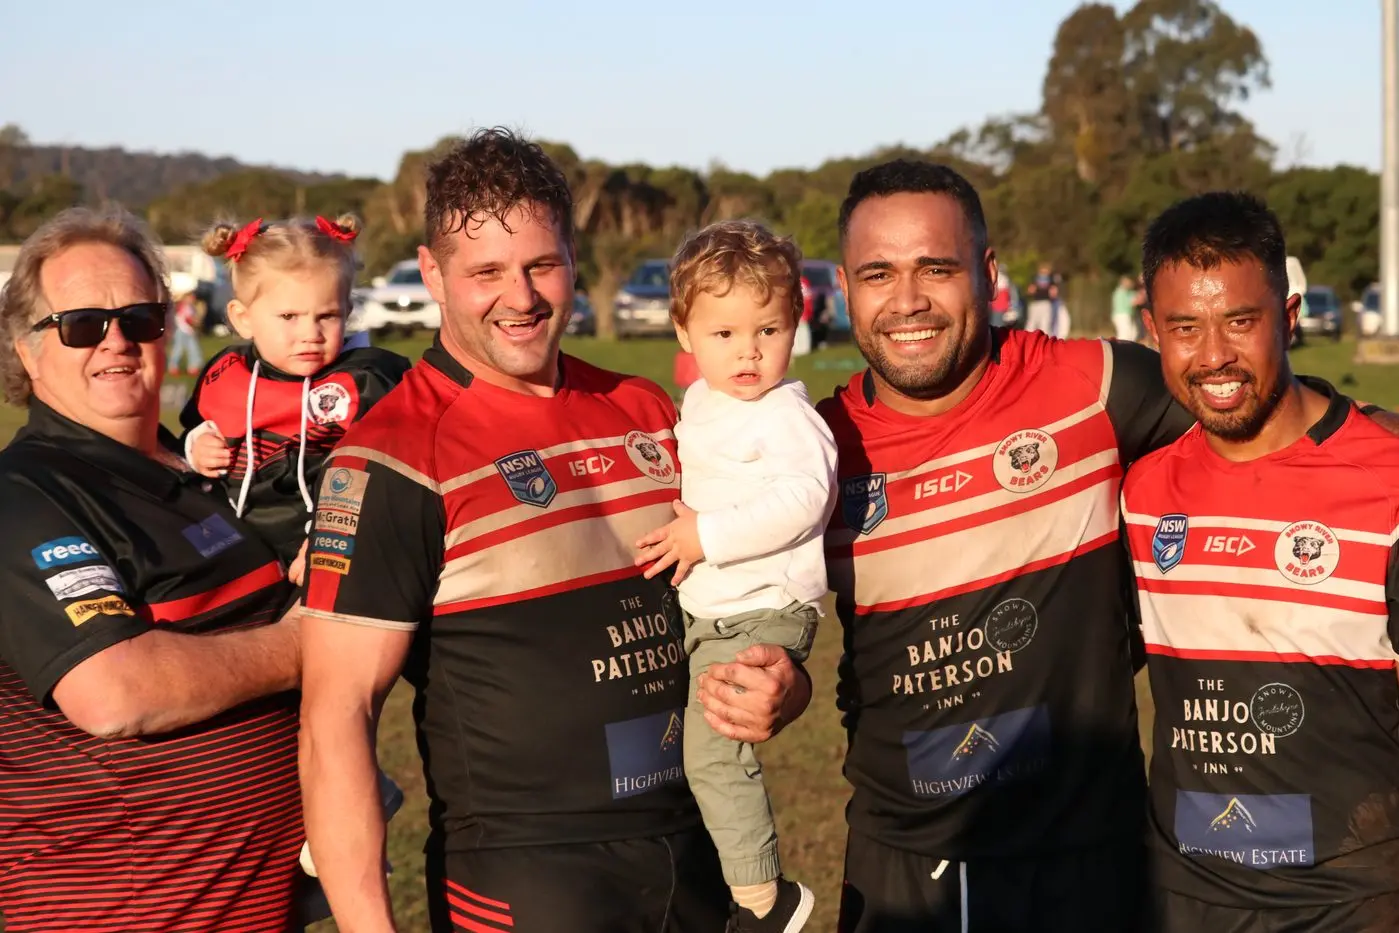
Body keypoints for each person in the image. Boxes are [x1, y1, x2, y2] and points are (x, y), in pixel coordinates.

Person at [819, 160, 1399, 933]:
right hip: (904, 862)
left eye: (936, 267)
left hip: (1096, 862)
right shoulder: (810, 452)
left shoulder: (1094, 387)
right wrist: (762, 674)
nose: (907, 300)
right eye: (877, 273)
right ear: (842, 286)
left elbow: (1254, 401)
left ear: (987, 274)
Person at [297, 128, 812, 933]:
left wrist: (786, 684)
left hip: (693, 861)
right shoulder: (390, 458)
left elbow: (750, 586)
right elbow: (336, 718)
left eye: (541, 264)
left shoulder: (646, 408)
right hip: (528, 880)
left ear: (573, 257)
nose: (521, 296)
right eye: (486, 273)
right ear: (432, 273)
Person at [0, 207, 304, 932]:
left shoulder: (207, 465)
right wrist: (310, 644)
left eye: (138, 318)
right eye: (80, 325)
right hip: (119, 908)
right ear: (26, 351)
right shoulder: (25, 496)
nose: (116, 340)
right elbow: (115, 692)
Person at [1125, 192, 1399, 932]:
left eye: (1240, 321)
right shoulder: (1142, 492)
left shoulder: (1387, 479)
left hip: (1353, 900)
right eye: (1185, 327)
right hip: (1187, 896)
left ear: (1289, 315)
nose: (1213, 354)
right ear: (1152, 330)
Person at [633, 219, 837, 932]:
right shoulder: (701, 402)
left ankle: (765, 902)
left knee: (715, 755)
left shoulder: (784, 415)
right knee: (688, 754)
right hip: (710, 608)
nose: (748, 351)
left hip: (760, 608)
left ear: (794, 327)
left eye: (767, 330)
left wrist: (704, 535)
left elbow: (806, 498)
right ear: (684, 333)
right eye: (724, 333)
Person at [179, 214, 411, 584]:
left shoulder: (370, 380)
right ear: (243, 318)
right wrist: (196, 446)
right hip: (241, 550)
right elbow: (192, 429)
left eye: (327, 316)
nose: (310, 333)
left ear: (348, 311)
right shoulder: (225, 373)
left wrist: (335, 534)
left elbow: (400, 475)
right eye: (289, 316)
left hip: (340, 551)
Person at [167, 288, 204, 374]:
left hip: (188, 331)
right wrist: (196, 322)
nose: (193, 299)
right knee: (178, 349)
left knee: (193, 348)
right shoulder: (184, 306)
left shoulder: (190, 307)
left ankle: (193, 367)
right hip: (182, 330)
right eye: (191, 297)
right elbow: (187, 319)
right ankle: (173, 367)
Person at [1022, 262, 1058, 334]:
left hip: (1046, 303)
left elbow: (1054, 292)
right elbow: (1030, 290)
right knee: (1032, 323)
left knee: (1045, 324)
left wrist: (1053, 293)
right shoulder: (1034, 278)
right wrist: (1031, 290)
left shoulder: (1052, 279)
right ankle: (1027, 338)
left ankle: (1045, 339)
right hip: (1035, 303)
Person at [1112, 274, 1139, 342]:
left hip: (1128, 315)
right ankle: (1120, 347)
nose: (1130, 284)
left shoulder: (1128, 292)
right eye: (1128, 282)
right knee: (1124, 334)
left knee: (1133, 333)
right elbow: (1132, 302)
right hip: (1122, 315)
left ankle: (1128, 347)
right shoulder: (1120, 292)